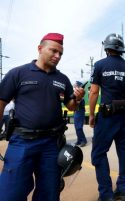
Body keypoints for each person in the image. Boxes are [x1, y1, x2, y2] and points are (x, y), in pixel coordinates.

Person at [0, 33, 85, 201]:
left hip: (51, 144)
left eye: (60, 53)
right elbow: (1, 102)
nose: (57, 56)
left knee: (49, 193)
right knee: (10, 193)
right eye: (53, 51)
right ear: (40, 49)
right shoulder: (18, 73)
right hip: (22, 141)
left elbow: (71, 105)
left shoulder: (62, 79)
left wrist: (78, 98)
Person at [89, 33, 125, 201]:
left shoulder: (100, 65)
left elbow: (94, 91)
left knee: (99, 153)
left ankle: (106, 194)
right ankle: (123, 189)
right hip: (123, 115)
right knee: (124, 152)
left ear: (107, 48)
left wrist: (92, 115)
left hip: (107, 116)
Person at [73, 81, 87, 147]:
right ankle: (79, 140)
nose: (74, 86)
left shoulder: (80, 96)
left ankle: (84, 141)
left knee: (79, 128)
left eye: (75, 85)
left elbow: (77, 103)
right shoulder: (76, 94)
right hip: (76, 112)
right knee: (76, 127)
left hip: (80, 112)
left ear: (78, 87)